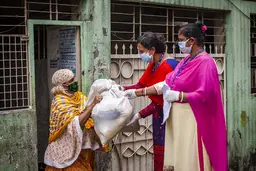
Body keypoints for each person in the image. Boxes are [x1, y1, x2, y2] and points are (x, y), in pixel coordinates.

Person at [125, 22, 227, 171]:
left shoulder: (206, 62)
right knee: (179, 158)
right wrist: (136, 92)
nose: (179, 43)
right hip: (178, 120)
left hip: (193, 120)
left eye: (181, 39)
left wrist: (179, 95)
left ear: (191, 41)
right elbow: (167, 83)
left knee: (190, 159)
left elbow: (205, 94)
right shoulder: (185, 61)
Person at [123, 32, 178, 171]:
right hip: (159, 116)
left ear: (152, 50)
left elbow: (160, 102)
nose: (139, 54)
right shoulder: (154, 64)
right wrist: (121, 89)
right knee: (160, 152)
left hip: (169, 116)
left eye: (141, 51)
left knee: (169, 155)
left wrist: (138, 115)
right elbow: (141, 86)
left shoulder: (169, 66)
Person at [44, 69, 107, 171]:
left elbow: (90, 112)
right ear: (64, 84)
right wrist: (92, 105)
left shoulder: (78, 96)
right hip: (66, 150)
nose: (75, 82)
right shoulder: (60, 102)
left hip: (82, 148)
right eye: (71, 81)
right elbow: (78, 122)